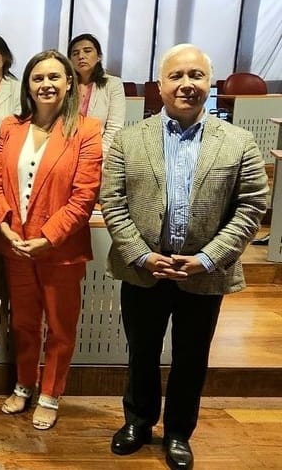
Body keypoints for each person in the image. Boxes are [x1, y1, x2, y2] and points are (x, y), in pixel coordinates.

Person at [101, 44, 268, 470]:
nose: (186, 84)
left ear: (209, 83)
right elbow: (113, 202)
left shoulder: (238, 142)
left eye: (196, 75)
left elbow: (252, 206)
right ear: (160, 85)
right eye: (176, 76)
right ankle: (138, 422)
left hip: (203, 274)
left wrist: (209, 258)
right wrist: (141, 255)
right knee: (141, 352)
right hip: (145, 270)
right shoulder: (128, 139)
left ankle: (178, 433)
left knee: (192, 358)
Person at [0, 50, 103, 430]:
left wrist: (48, 238)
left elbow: (85, 197)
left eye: (54, 77)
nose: (46, 85)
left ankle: (51, 393)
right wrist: (4, 224)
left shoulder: (87, 130)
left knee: (59, 327)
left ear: (69, 83)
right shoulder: (10, 126)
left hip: (60, 250)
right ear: (28, 85)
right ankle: (24, 384)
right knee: (23, 323)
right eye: (38, 78)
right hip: (16, 245)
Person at [68, 33, 125, 158]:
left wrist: (98, 156)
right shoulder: (65, 85)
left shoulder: (113, 84)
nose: (81, 56)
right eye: (75, 53)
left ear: (99, 57)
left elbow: (114, 128)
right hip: (66, 151)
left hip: (98, 153)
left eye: (87, 51)